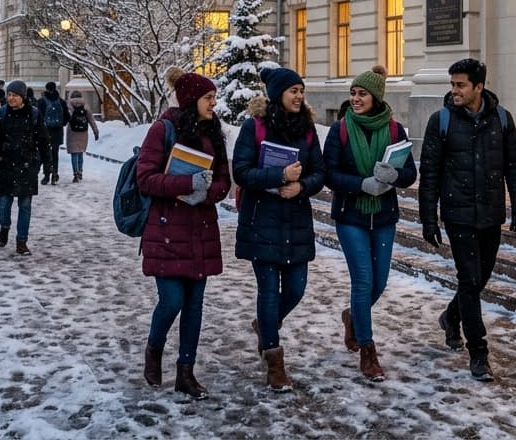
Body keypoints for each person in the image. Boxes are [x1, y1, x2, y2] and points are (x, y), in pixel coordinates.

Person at [418, 57, 516, 383]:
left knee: (479, 279)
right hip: (458, 214)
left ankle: (451, 318)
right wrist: (428, 219)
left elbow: (515, 166)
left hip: (491, 214)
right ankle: (478, 353)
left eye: (460, 85)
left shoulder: (502, 120)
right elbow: (430, 174)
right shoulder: (441, 121)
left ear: (478, 87)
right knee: (469, 280)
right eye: (452, 84)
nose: (454, 90)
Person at [137, 67, 230, 400]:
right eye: (208, 98)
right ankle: (154, 348)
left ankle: (185, 373)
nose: (213, 104)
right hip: (166, 229)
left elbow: (224, 180)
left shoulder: (213, 132)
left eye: (214, 98)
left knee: (195, 306)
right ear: (192, 100)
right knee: (172, 300)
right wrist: (186, 183)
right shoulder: (163, 130)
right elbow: (145, 178)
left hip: (200, 229)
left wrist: (208, 192)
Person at [233, 65, 326, 392]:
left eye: (301, 90)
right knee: (269, 292)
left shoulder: (308, 129)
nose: (299, 96)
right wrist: (278, 176)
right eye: (293, 91)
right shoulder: (253, 127)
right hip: (262, 219)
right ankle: (274, 359)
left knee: (297, 288)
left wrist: (302, 187)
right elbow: (241, 172)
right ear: (277, 95)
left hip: (296, 220)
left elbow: (319, 172)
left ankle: (265, 325)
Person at [322, 65, 417, 383]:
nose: (356, 98)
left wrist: (395, 177)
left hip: (385, 216)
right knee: (362, 282)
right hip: (351, 215)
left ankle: (353, 317)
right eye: (353, 93)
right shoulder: (341, 130)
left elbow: (409, 173)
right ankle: (368, 349)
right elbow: (329, 174)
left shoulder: (395, 130)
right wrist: (361, 184)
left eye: (362, 93)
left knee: (379, 283)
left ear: (376, 97)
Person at [0, 80, 51, 256]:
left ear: (23, 96)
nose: (11, 98)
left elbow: (44, 141)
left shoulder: (35, 114)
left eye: (15, 95)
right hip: (5, 164)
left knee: (25, 205)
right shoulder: (0, 114)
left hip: (27, 165)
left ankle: (22, 240)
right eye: (9, 95)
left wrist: (47, 165)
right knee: (4, 204)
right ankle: (4, 226)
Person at [37, 81, 69, 185]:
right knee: (55, 153)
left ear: (46, 89)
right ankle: (54, 173)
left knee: (46, 153)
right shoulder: (61, 101)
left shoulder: (41, 101)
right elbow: (67, 116)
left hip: (45, 131)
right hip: (57, 131)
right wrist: (61, 124)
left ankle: (46, 175)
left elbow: (38, 117)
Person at [65, 91, 99, 182]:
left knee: (74, 154)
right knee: (80, 153)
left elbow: (66, 118)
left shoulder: (69, 106)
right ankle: (80, 171)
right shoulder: (86, 107)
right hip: (83, 133)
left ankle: (75, 173)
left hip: (72, 132)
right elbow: (91, 121)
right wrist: (96, 131)